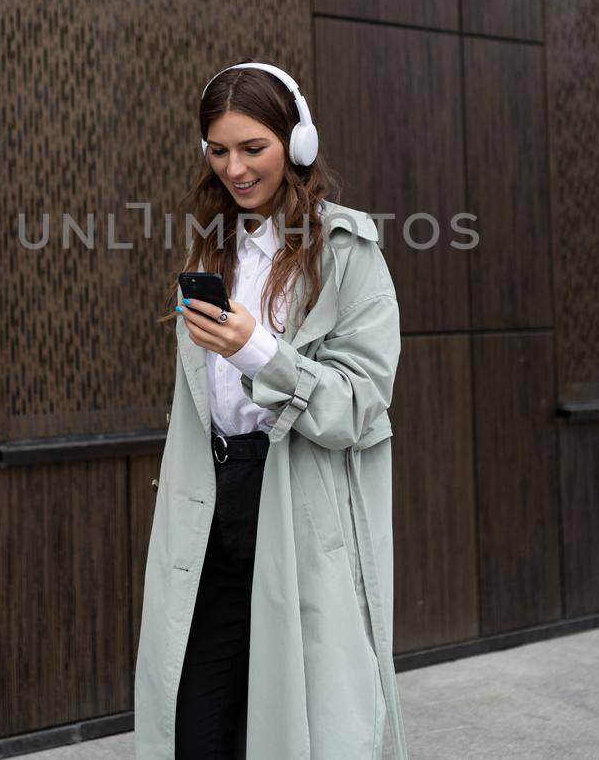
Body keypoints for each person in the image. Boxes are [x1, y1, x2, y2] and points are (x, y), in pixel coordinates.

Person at [134, 59, 408, 759]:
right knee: (196, 722)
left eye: (252, 147)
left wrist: (258, 348)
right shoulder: (212, 246)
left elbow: (359, 404)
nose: (235, 167)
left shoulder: (346, 251)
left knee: (297, 720)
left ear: (299, 142)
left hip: (295, 499)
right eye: (219, 150)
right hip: (212, 497)